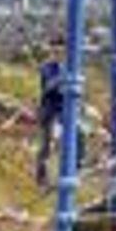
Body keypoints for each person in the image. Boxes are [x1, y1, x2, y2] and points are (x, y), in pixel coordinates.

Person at [35, 52, 72, 189]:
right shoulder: (47, 67)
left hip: (65, 111)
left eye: (61, 50)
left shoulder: (68, 67)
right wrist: (62, 79)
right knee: (47, 144)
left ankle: (66, 171)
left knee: (70, 140)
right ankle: (42, 179)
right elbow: (48, 87)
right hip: (50, 111)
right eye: (56, 51)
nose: (59, 54)